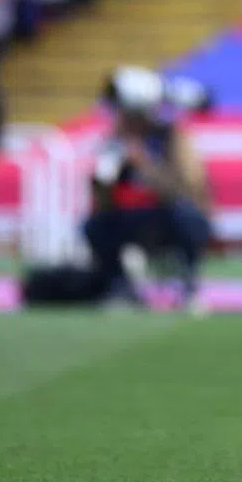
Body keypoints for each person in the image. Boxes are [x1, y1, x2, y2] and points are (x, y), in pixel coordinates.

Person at [83, 66, 213, 309]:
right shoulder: (115, 142)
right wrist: (104, 180)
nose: (122, 118)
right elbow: (103, 202)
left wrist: (144, 164)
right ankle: (119, 287)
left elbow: (185, 189)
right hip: (132, 216)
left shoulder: (170, 138)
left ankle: (188, 286)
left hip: (169, 215)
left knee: (187, 217)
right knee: (95, 226)